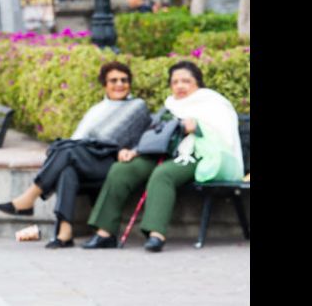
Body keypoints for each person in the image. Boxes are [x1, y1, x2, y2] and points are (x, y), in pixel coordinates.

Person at [83, 61, 243, 252]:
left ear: (198, 84)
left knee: (163, 174)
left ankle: (156, 234)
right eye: (175, 82)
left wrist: (199, 127)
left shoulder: (212, 103)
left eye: (186, 81)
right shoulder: (170, 106)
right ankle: (105, 233)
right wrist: (134, 150)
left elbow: (224, 135)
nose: (179, 86)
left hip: (198, 154)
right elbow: (154, 136)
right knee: (122, 170)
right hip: (162, 153)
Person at [0, 62, 150, 248]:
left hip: (111, 162)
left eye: (124, 80)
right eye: (113, 80)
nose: (119, 84)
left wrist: (131, 151)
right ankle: (64, 232)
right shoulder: (97, 109)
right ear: (105, 85)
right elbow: (80, 139)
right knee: (67, 168)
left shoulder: (137, 106)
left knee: (67, 151)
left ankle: (29, 197)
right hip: (87, 159)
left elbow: (121, 140)